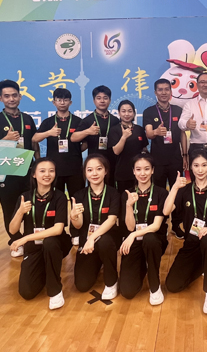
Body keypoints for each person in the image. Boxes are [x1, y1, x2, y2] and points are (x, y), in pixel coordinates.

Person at [164, 150, 207, 314]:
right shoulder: (184, 191)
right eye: (196, 165)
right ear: (190, 168)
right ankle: (204, 263)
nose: (200, 170)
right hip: (192, 241)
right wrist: (174, 188)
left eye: (204, 165)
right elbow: (166, 211)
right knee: (172, 285)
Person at [8, 158, 72, 310]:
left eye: (51, 171)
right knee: (27, 292)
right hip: (34, 248)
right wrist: (20, 212)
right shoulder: (25, 197)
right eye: (42, 171)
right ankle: (45, 269)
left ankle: (55, 290)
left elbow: (58, 229)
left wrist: (26, 238)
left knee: (50, 242)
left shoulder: (60, 197)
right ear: (34, 174)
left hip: (56, 244)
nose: (47, 174)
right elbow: (12, 230)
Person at [0, 79, 39, 257]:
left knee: (30, 206)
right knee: (10, 208)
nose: (11, 99)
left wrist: (38, 164)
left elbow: (34, 143)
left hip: (27, 171)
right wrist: (6, 140)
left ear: (20, 96)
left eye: (14, 95)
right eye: (7, 96)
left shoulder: (28, 119)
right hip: (7, 173)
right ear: (0, 98)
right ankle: (15, 241)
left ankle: (30, 239)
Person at [33, 88, 86, 245]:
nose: (62, 102)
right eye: (59, 99)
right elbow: (35, 138)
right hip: (54, 171)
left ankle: (76, 232)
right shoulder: (48, 122)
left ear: (70, 102)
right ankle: (57, 231)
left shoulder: (78, 121)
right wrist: (48, 133)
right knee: (55, 201)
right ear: (54, 102)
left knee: (77, 200)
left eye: (65, 99)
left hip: (75, 169)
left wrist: (75, 151)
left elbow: (85, 143)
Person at [118, 153, 169, 304]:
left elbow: (156, 226)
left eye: (147, 169)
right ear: (133, 171)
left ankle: (155, 285)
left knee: (150, 239)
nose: (143, 173)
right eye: (138, 169)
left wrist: (133, 235)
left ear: (153, 170)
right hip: (134, 242)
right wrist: (129, 206)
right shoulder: (127, 194)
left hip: (154, 240)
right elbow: (130, 227)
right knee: (127, 291)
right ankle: (142, 265)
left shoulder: (161, 193)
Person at [71, 154, 122, 300]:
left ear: (106, 171)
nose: (94, 173)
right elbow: (79, 225)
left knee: (104, 241)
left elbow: (111, 220)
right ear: (85, 173)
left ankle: (111, 282)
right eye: (90, 170)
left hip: (107, 240)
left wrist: (92, 238)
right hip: (87, 242)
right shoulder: (79, 195)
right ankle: (99, 261)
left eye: (99, 169)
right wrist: (74, 216)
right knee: (82, 285)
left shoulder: (113, 193)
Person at [143, 79, 188, 238]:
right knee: (159, 193)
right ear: (155, 92)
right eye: (160, 90)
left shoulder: (178, 110)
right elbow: (148, 133)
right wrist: (156, 132)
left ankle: (176, 224)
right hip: (157, 161)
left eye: (166, 89)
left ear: (171, 92)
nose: (163, 92)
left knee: (178, 193)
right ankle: (160, 225)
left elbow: (183, 134)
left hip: (176, 159)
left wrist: (185, 155)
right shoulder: (149, 112)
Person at [71, 86, 120, 187]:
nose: (102, 101)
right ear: (94, 101)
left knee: (111, 190)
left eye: (105, 98)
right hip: (94, 163)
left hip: (112, 162)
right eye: (99, 98)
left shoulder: (115, 120)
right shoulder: (88, 120)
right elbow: (73, 138)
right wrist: (88, 131)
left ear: (110, 100)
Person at [109, 100, 149, 193]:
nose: (127, 114)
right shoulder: (114, 130)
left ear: (134, 113)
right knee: (124, 199)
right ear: (119, 113)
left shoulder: (139, 129)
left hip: (139, 173)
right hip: (123, 173)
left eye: (130, 111)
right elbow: (116, 151)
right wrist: (124, 137)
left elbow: (144, 148)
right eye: (123, 111)